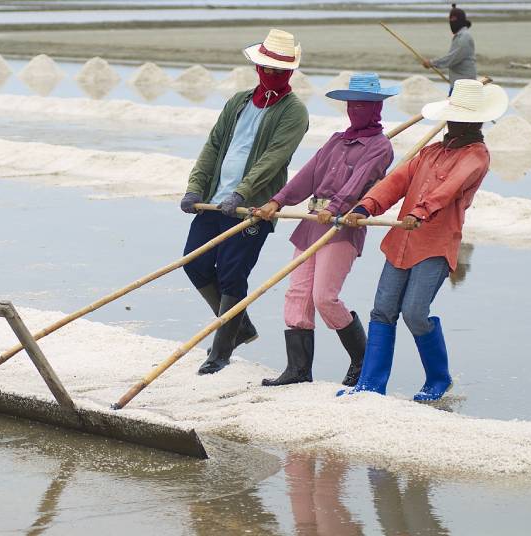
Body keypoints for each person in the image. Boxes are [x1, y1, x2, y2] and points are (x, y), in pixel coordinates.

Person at [338, 79, 508, 401]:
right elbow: (397, 181)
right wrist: (366, 205)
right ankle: (371, 386)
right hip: (401, 239)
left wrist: (420, 211)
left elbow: (449, 189)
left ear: (476, 121)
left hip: (435, 243)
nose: (456, 122)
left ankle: (439, 379)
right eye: (453, 116)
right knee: (383, 311)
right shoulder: (430, 152)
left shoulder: (477, 156)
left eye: (463, 118)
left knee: (415, 312)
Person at [179, 29, 309, 375]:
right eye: (268, 68)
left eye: (280, 71)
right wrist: (195, 188)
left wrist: (242, 193)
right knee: (194, 264)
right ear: (257, 68)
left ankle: (221, 350)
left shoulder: (294, 112)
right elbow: (213, 146)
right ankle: (241, 327)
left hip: (252, 209)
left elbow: (274, 158)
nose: (273, 75)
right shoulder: (237, 102)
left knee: (233, 275)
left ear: (290, 73)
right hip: (215, 202)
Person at [257, 73, 396, 388]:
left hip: (341, 227)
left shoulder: (380, 147)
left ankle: (362, 359)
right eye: (351, 104)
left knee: (324, 297)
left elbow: (359, 181)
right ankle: (298, 369)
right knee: (297, 294)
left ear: (377, 108)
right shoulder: (336, 140)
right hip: (312, 224)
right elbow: (307, 176)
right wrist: (277, 201)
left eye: (363, 105)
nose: (355, 110)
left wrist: (334, 208)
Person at [423, 3, 477, 87]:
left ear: (461, 21)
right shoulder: (460, 36)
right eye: (450, 20)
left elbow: (452, 58)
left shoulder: (464, 37)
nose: (452, 23)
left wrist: (432, 63)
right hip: (458, 83)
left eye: (454, 20)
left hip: (465, 86)